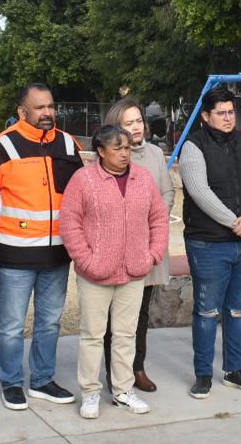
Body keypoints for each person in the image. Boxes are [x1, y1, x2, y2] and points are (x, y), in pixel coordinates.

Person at [60, 125, 169, 419]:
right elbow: (69, 223)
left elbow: (159, 218)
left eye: (127, 148)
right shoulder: (83, 180)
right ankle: (91, 392)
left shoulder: (142, 179)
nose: (124, 153)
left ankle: (122, 390)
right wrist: (87, 260)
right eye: (118, 148)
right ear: (100, 151)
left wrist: (152, 255)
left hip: (134, 272)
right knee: (93, 335)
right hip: (95, 274)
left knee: (125, 334)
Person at [0, 83, 83, 411]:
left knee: (50, 321)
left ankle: (42, 379)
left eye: (50, 107)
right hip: (15, 253)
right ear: (22, 112)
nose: (47, 113)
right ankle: (11, 381)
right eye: (39, 108)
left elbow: (81, 195)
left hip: (57, 253)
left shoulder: (68, 144)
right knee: (12, 324)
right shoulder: (2, 148)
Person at [180, 87, 241, 399]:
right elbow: (199, 191)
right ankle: (203, 374)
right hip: (209, 242)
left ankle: (235, 370)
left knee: (238, 310)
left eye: (231, 112)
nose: (228, 117)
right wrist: (235, 221)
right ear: (206, 117)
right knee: (207, 311)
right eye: (221, 112)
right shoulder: (194, 146)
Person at [102, 98, 174, 393]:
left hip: (149, 244)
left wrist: (152, 222)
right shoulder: (111, 157)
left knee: (141, 312)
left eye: (138, 121)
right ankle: (114, 372)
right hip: (119, 247)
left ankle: (137, 367)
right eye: (128, 122)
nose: (136, 127)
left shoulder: (156, 153)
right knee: (116, 314)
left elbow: (167, 192)